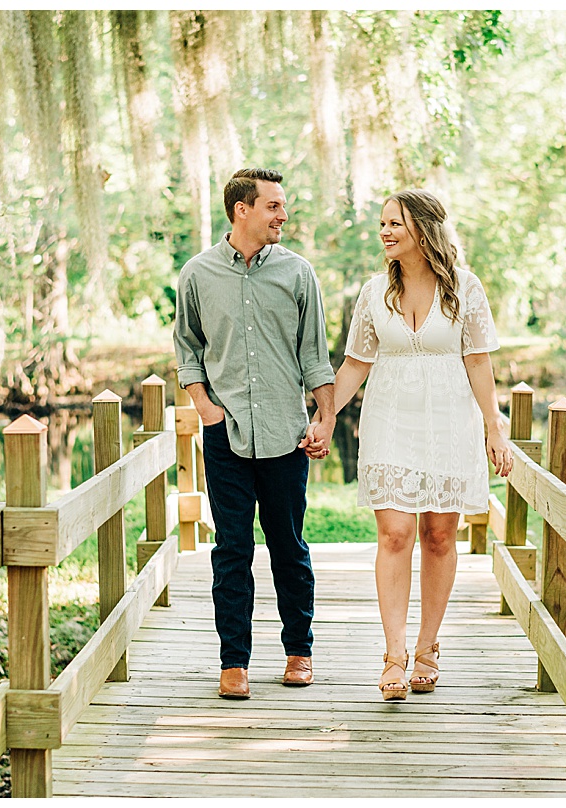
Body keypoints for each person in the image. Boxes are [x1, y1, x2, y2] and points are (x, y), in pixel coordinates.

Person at [305, 188, 513, 701]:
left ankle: (427, 648)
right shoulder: (375, 292)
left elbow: (479, 362)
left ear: (424, 228)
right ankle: (393, 655)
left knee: (440, 535)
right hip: (390, 419)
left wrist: (493, 425)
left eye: (395, 223)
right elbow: (356, 363)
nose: (385, 232)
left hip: (449, 422)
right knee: (395, 533)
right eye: (382, 224)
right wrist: (326, 417)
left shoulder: (465, 289)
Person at [173, 168, 337, 700]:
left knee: (289, 546)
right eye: (273, 206)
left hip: (287, 434)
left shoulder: (297, 273)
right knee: (232, 548)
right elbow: (188, 348)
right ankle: (233, 663)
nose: (282, 215)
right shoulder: (197, 274)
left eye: (282, 206)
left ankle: (299, 652)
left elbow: (315, 355)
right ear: (241, 209)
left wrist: (324, 417)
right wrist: (205, 408)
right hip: (226, 434)